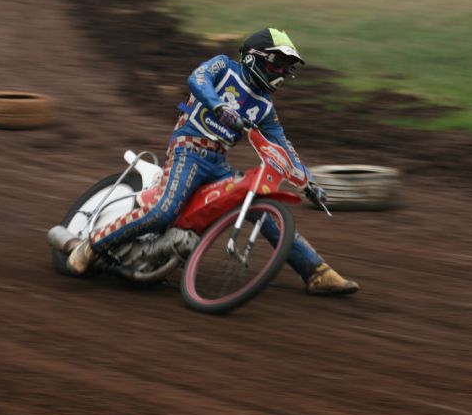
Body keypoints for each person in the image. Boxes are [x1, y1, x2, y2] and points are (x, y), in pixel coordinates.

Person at [68, 28, 359, 295]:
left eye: (286, 68)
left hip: (217, 162)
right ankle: (91, 246)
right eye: (276, 65)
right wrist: (218, 106)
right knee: (163, 211)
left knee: (259, 204)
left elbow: (283, 149)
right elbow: (197, 78)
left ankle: (316, 272)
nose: (281, 73)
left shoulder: (266, 109)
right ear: (253, 57)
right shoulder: (224, 66)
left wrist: (308, 184)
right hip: (187, 149)